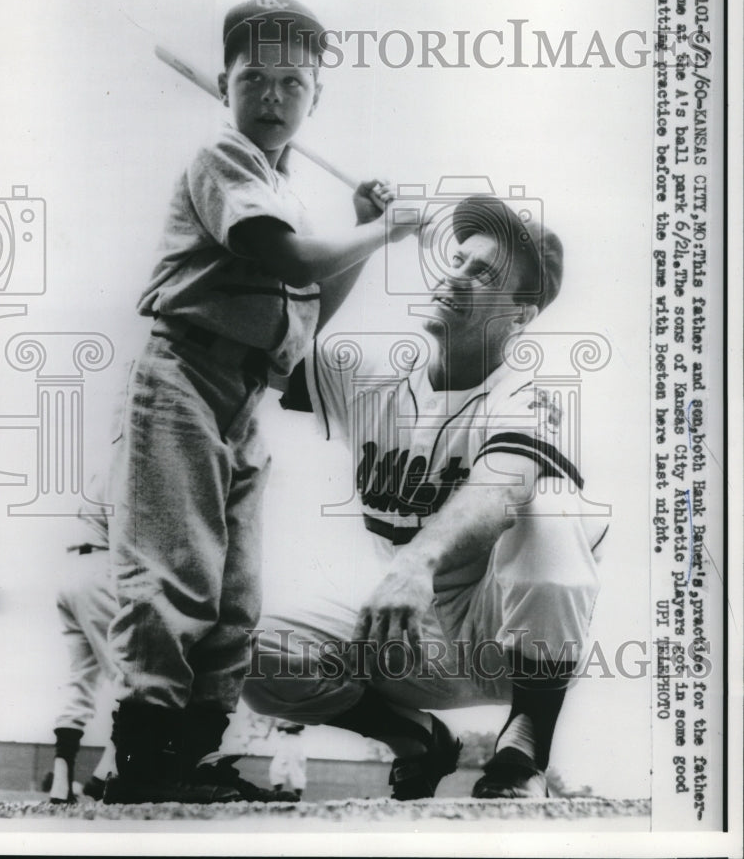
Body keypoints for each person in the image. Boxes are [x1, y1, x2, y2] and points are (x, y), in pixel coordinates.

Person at [104, 0, 420, 805]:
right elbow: (295, 260)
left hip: (241, 396)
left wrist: (358, 229)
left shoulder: (288, 196)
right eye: (254, 79)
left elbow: (310, 310)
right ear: (224, 85)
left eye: (292, 83)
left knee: (236, 593)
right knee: (176, 572)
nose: (273, 97)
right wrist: (383, 231)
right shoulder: (224, 156)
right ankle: (146, 763)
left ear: (317, 96)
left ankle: (193, 756)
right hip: (181, 377)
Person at [244, 195, 609, 800]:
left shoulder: (535, 395)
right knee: (250, 653)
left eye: (482, 273)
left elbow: (499, 487)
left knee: (549, 507)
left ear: (519, 314)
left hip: (508, 635)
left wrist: (416, 561)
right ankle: (415, 738)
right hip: (410, 634)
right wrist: (367, 234)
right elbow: (273, 350)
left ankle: (524, 751)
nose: (456, 273)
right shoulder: (371, 376)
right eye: (457, 260)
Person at [47, 487, 117, 804]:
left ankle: (60, 783)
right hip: (101, 566)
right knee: (130, 677)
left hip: (69, 571)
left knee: (80, 682)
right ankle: (103, 777)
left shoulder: (96, 475)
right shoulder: (130, 465)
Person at [269, 721, 308, 800]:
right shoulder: (280, 718)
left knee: (296, 770)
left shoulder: (296, 718)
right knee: (276, 768)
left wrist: (287, 727)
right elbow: (278, 728)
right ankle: (277, 793)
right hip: (284, 742)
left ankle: (298, 796)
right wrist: (283, 726)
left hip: (295, 743)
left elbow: (301, 726)